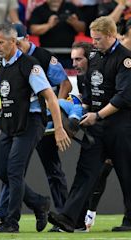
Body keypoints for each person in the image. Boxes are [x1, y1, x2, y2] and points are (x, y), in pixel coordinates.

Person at [0, 23, 72, 232]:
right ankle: (39, 203)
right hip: (10, 122)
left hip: (31, 122)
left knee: (14, 171)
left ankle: (11, 222)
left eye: (1, 42)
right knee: (4, 172)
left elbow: (50, 96)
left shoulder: (31, 65)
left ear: (14, 42)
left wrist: (58, 128)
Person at [48, 16, 131, 232]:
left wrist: (98, 115)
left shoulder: (125, 60)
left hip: (121, 127)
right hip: (96, 126)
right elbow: (87, 88)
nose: (93, 43)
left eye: (98, 39)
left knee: (127, 174)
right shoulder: (93, 56)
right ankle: (70, 218)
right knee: (85, 171)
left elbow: (123, 97)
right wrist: (81, 110)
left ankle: (130, 220)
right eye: (92, 38)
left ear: (112, 36)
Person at [28, 0, 86, 68]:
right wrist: (49, 25)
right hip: (47, 54)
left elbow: (83, 28)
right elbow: (33, 30)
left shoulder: (71, 7)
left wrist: (74, 22)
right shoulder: (39, 10)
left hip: (69, 55)